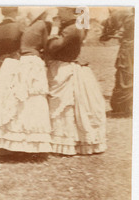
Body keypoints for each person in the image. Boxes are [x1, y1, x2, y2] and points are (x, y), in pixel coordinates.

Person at [0, 8, 54, 155]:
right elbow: (40, 47)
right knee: (27, 101)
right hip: (22, 62)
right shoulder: (29, 27)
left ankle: (5, 141)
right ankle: (27, 142)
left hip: (3, 64)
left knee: (6, 102)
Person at [46, 7, 107, 155]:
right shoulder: (76, 27)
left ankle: (66, 142)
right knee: (69, 107)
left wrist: (54, 29)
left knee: (64, 105)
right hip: (66, 65)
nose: (58, 13)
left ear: (70, 12)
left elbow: (53, 47)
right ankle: (71, 140)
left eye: (61, 10)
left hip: (63, 67)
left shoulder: (72, 29)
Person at [100, 8, 134, 116]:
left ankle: (122, 108)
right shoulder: (130, 18)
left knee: (125, 76)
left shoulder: (129, 19)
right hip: (129, 48)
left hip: (128, 51)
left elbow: (109, 30)